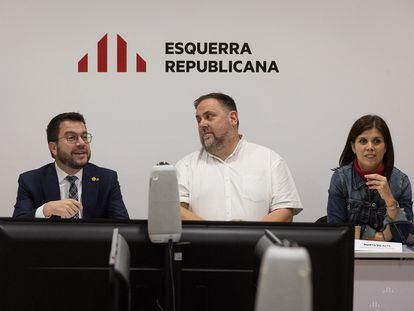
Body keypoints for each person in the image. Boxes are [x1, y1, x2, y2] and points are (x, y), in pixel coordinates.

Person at [176, 92, 302, 222]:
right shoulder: (185, 166)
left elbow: (285, 210)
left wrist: (247, 233)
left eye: (209, 117)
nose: (202, 124)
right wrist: (214, 233)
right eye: (199, 120)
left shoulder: (270, 160)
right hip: (203, 242)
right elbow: (177, 211)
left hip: (258, 241)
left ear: (233, 118)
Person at [13, 112, 129, 219]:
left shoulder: (107, 179)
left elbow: (122, 227)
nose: (82, 143)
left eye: (84, 137)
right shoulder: (30, 181)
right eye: (71, 138)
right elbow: (16, 228)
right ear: (54, 148)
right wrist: (45, 210)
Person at [327, 115, 413, 241]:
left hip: (391, 259)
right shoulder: (341, 179)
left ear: (386, 147)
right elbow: (336, 229)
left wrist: (390, 200)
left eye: (377, 141)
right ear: (353, 147)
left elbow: (405, 235)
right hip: (351, 255)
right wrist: (377, 236)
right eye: (363, 141)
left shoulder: (401, 181)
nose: (370, 147)